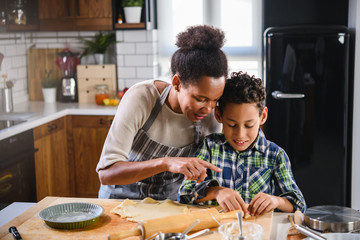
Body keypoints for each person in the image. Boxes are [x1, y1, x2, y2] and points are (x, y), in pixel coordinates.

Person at [96, 25, 228, 200]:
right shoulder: (142, 97)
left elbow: (205, 176)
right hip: (120, 199)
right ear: (177, 83)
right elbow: (107, 174)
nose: (209, 108)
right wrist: (166, 163)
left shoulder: (210, 117)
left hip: (169, 205)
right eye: (200, 98)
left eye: (215, 99)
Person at [178, 71, 306, 216]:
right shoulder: (210, 146)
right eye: (232, 125)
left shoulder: (275, 155)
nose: (240, 135)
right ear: (219, 115)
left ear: (263, 116)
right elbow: (184, 194)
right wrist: (216, 191)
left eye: (249, 125)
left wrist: (276, 201)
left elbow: (299, 205)